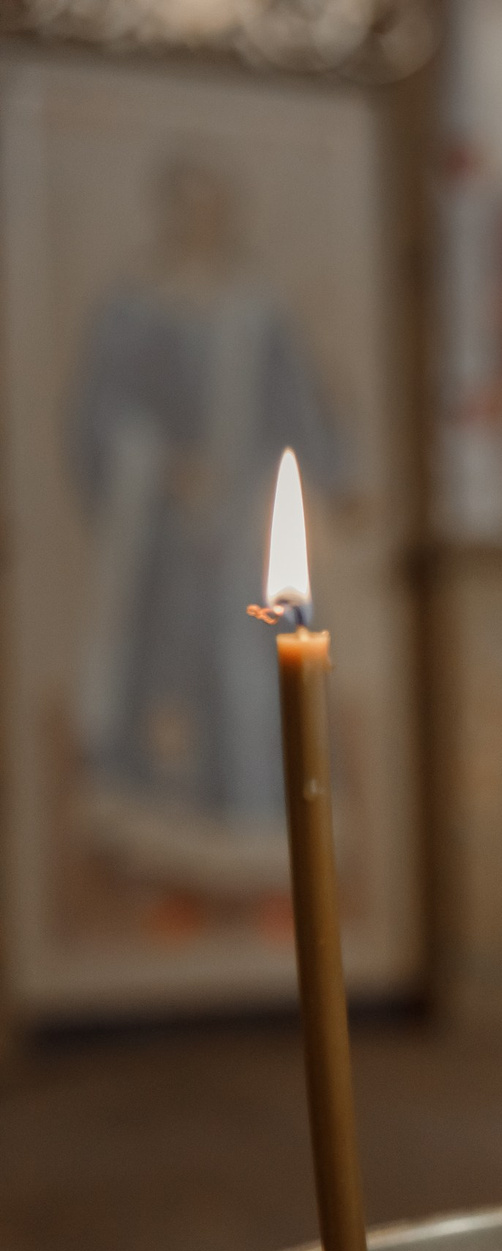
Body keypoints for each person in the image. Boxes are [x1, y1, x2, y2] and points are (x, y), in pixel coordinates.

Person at [71, 152, 344, 901]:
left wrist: (327, 475)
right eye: (185, 207)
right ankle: (166, 831)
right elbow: (100, 411)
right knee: (167, 667)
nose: (199, 222)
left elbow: (298, 407)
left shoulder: (258, 305)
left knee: (253, 662)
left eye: (211, 207)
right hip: (164, 532)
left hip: (242, 526)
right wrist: (161, 464)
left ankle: (256, 821)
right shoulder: (134, 303)